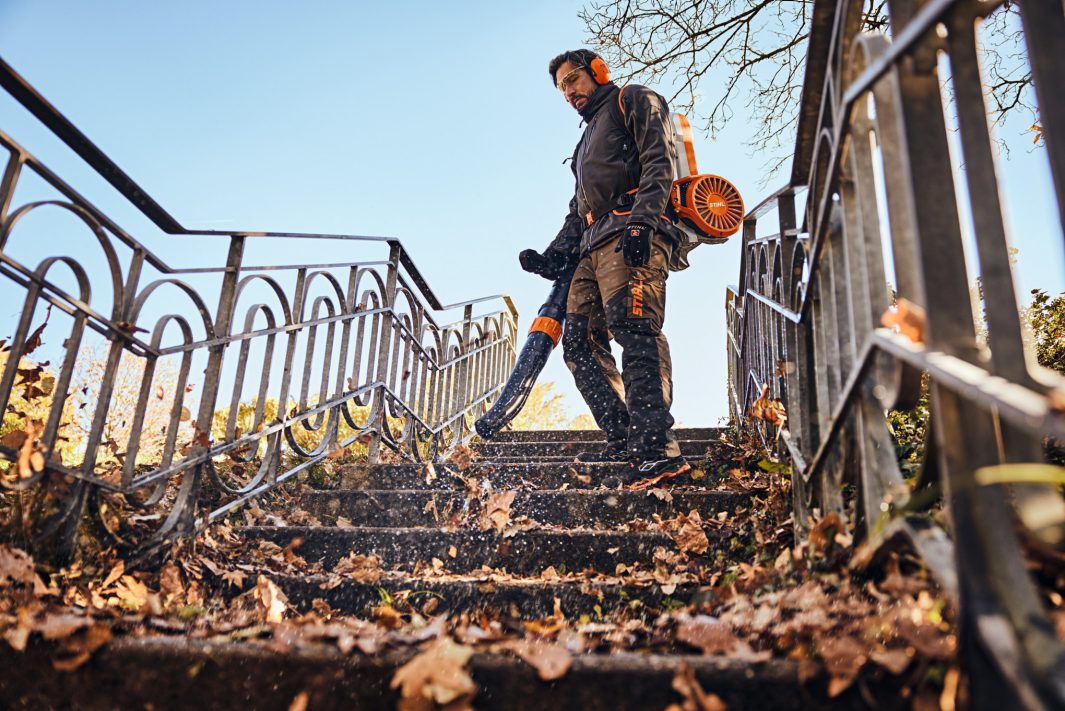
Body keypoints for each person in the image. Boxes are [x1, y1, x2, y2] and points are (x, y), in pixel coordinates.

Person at [518, 48, 690, 489]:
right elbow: (578, 210)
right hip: (591, 246)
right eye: (561, 88)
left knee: (635, 328)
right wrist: (554, 255)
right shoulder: (584, 143)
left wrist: (644, 221)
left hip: (630, 229)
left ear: (598, 71)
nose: (568, 92)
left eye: (573, 79)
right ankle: (624, 435)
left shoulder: (631, 99)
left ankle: (656, 450)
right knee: (577, 343)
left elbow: (659, 159)